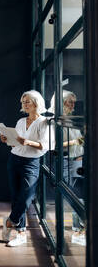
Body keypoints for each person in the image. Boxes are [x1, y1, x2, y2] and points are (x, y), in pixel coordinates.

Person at [0, 90, 51, 247]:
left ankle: (10, 221)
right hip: (14, 160)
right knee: (16, 196)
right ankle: (21, 233)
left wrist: (27, 142)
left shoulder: (44, 122)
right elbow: (16, 142)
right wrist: (6, 139)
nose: (24, 104)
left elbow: (47, 145)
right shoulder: (21, 121)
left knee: (26, 196)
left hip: (31, 163)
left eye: (27, 101)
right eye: (23, 102)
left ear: (36, 103)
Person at [49, 90, 85, 243]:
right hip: (63, 161)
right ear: (61, 103)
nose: (73, 105)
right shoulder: (55, 121)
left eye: (74, 102)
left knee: (77, 195)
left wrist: (79, 152)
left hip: (76, 160)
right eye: (69, 101)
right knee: (71, 195)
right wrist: (75, 143)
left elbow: (78, 143)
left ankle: (78, 229)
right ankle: (80, 227)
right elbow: (54, 145)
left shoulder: (71, 120)